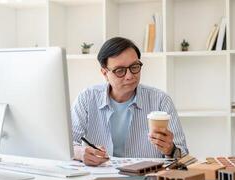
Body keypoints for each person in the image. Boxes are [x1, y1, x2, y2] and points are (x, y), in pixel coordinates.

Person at [71, 37, 188, 166]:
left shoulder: (160, 100)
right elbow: (68, 143)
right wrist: (81, 152)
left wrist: (171, 149)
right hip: (100, 176)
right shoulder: (87, 98)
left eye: (134, 67)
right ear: (104, 73)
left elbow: (183, 153)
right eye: (120, 70)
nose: (130, 76)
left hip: (147, 179)